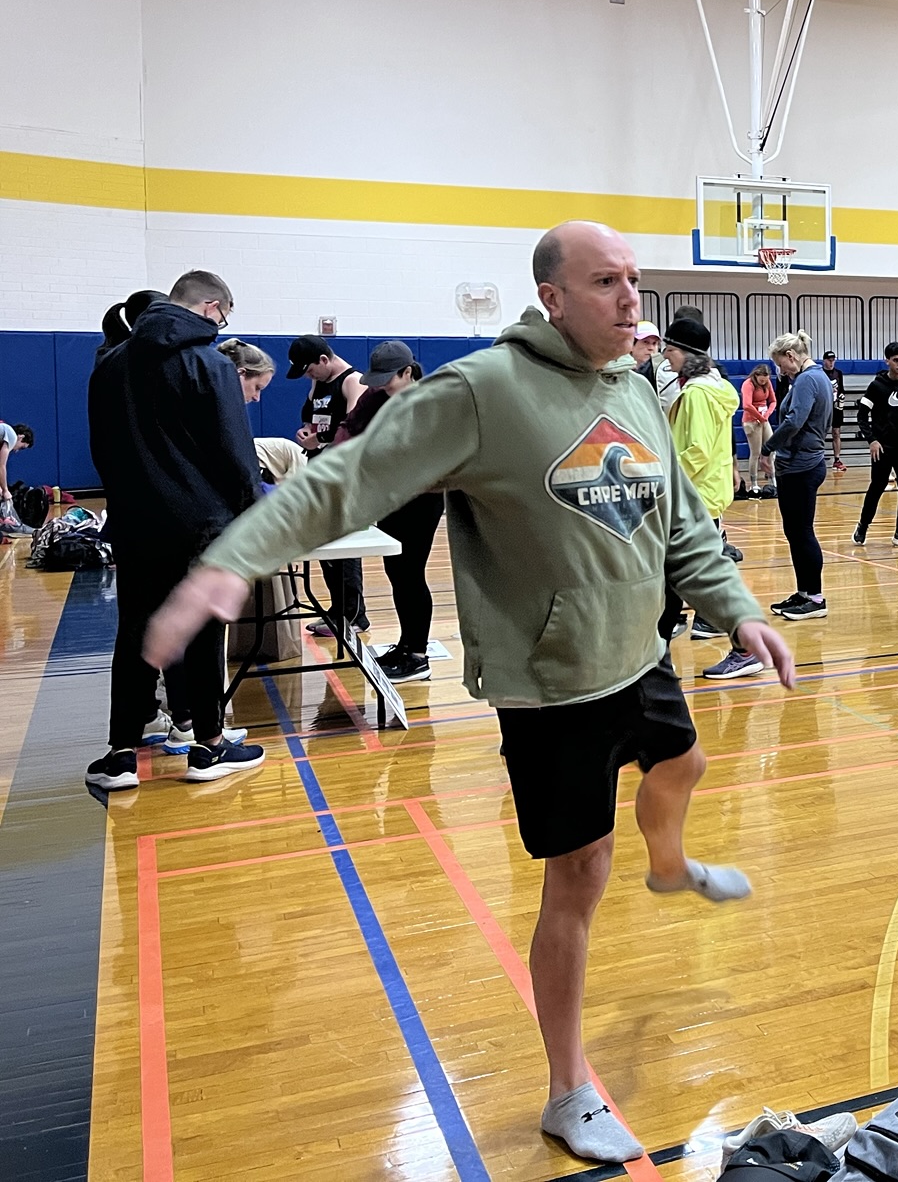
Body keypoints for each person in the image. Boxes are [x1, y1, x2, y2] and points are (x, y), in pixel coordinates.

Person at [141, 221, 795, 1165]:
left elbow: (681, 521)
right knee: (579, 877)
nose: (630, 300)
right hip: (554, 681)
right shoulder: (483, 391)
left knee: (684, 762)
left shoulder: (636, 389)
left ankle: (669, 863)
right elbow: (349, 478)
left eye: (634, 280)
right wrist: (232, 559)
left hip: (639, 650)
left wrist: (736, 611)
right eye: (605, 282)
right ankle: (568, 1091)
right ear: (553, 298)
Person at [83, 270, 267, 791]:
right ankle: (209, 745)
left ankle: (121, 755)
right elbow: (235, 454)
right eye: (224, 315)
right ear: (210, 307)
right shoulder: (211, 363)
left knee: (136, 631)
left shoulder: (110, 363)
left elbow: (102, 450)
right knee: (204, 632)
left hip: (134, 521)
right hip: (201, 523)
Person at [332, 340, 443, 684]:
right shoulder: (375, 397)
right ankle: (405, 645)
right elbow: (350, 428)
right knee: (395, 570)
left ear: (408, 372)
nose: (381, 386)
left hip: (423, 498)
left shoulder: (432, 401)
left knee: (411, 572)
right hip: (390, 497)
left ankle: (418, 656)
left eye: (388, 379)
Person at [657, 319, 760, 678]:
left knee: (703, 578)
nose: (665, 356)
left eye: (670, 349)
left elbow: (696, 450)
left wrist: (664, 482)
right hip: (704, 493)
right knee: (680, 577)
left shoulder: (698, 394)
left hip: (695, 496)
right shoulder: (713, 388)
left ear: (687, 353)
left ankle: (746, 648)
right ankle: (658, 649)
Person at [289, 333, 370, 637]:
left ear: (324, 360)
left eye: (311, 370)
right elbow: (312, 418)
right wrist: (307, 432)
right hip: (319, 468)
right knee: (326, 544)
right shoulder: (318, 383)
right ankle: (338, 610)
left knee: (344, 545)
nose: (309, 377)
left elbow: (354, 429)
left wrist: (320, 439)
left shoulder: (353, 381)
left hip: (344, 473)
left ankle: (354, 615)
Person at [764, 331, 833, 620]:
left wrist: (768, 447)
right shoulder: (817, 378)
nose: (781, 371)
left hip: (801, 466)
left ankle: (815, 598)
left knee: (802, 532)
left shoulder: (807, 380)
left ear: (791, 356)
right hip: (801, 463)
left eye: (780, 364)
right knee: (794, 532)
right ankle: (804, 592)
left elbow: (794, 421)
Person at [853, 341, 898, 550]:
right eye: (896, 360)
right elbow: (861, 416)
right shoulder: (877, 387)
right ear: (887, 361)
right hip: (884, 448)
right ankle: (863, 525)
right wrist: (872, 440)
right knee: (877, 488)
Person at [740, 362, 778, 495]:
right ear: (756, 376)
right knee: (755, 453)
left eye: (765, 380)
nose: (763, 382)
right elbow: (746, 405)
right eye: (761, 380)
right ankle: (754, 482)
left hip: (763, 419)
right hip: (751, 421)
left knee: (771, 449)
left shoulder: (767, 383)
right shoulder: (748, 384)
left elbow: (773, 401)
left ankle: (773, 479)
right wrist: (759, 417)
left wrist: (767, 415)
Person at [0, 420, 36, 537]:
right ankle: (8, 523)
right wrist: (5, 490)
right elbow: (1, 466)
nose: (16, 451)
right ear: (21, 437)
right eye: (21, 447)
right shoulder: (10, 434)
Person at [820, 351, 848, 471]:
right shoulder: (820, 373)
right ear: (824, 361)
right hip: (823, 406)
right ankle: (818, 457)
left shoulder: (838, 373)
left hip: (836, 406)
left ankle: (837, 459)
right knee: (821, 432)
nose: (831, 363)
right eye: (829, 360)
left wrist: (841, 398)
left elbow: (841, 389)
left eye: (833, 360)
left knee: (836, 432)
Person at [630, 321, 662, 390]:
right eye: (646, 342)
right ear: (631, 345)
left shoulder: (661, 374)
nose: (651, 348)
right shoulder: (621, 373)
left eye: (654, 343)